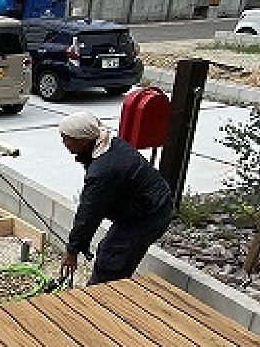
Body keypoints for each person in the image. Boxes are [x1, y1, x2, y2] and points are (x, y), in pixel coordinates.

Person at [58, 110, 173, 286]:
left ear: (82, 141)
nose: (63, 143)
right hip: (144, 205)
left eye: (66, 138)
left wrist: (72, 250)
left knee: (111, 261)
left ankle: (101, 300)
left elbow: (89, 214)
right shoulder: (105, 142)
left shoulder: (102, 171)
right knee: (112, 252)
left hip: (150, 214)